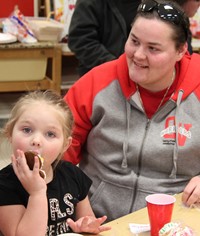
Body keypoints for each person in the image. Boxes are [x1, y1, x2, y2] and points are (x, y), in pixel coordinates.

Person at [63, 0, 200, 222]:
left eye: (153, 48)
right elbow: (56, 152)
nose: (138, 55)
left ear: (181, 51)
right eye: (134, 41)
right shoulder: (96, 84)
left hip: (178, 223)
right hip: (98, 221)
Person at [0, 90, 111, 235]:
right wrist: (37, 193)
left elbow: (86, 218)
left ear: (65, 145)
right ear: (10, 133)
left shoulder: (72, 174)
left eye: (50, 134)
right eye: (27, 130)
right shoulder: (4, 184)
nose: (36, 141)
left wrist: (85, 226)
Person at [68, 0, 141, 76]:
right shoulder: (91, 2)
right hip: (101, 78)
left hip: (141, 77)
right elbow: (80, 39)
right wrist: (115, 65)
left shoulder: (148, 3)